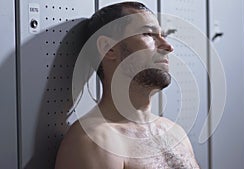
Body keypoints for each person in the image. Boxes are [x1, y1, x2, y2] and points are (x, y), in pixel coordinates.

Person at [55, 2, 200, 169]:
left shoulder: (175, 133)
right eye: (148, 34)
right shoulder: (95, 141)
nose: (168, 47)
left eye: (163, 35)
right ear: (108, 48)